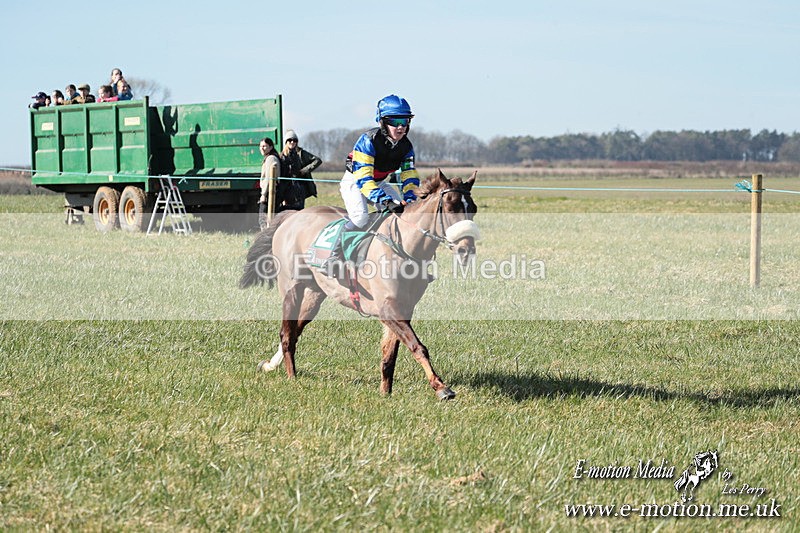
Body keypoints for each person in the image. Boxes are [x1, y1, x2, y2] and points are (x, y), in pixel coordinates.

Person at [321, 94, 420, 274]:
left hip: (379, 183)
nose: (400, 127)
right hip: (355, 181)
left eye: (405, 121)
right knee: (360, 218)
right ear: (382, 122)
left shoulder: (406, 147)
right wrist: (385, 201)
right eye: (395, 121)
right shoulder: (367, 141)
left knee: (403, 215)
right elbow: (364, 180)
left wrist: (410, 198)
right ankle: (332, 256)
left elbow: (410, 177)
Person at [280, 129, 322, 209]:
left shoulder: (301, 153)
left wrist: (304, 170)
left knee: (299, 211)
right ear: (286, 142)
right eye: (290, 140)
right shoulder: (281, 156)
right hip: (286, 188)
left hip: (299, 188)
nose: (292, 142)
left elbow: (317, 160)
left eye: (294, 140)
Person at [258, 137, 282, 231]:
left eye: (264, 146)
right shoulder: (269, 157)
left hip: (269, 192)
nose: (262, 148)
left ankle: (265, 238)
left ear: (271, 147)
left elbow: (269, 178)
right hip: (270, 191)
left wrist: (263, 195)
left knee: (263, 219)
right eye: (260, 146)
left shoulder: (271, 158)